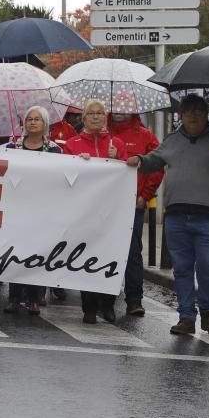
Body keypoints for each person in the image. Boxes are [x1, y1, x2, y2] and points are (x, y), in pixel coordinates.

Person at [128, 94, 209, 335]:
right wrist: (138, 160)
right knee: (181, 268)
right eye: (188, 111)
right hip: (176, 216)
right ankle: (186, 317)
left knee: (208, 266)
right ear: (181, 115)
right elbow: (154, 160)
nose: (192, 115)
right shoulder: (172, 140)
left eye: (197, 111)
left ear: (205, 115)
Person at [62, 99, 126, 324]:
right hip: (85, 212)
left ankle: (107, 304)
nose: (97, 117)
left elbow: (128, 175)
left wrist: (117, 159)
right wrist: (78, 163)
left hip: (111, 211)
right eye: (92, 113)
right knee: (86, 257)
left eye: (100, 113)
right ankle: (89, 306)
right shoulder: (72, 144)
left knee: (109, 256)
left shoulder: (117, 143)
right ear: (84, 118)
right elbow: (64, 175)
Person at [0, 106, 61, 315]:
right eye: (29, 119)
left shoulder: (54, 149)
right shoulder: (12, 146)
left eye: (37, 119)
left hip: (42, 210)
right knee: (15, 252)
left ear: (45, 124)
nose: (33, 122)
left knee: (38, 253)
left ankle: (35, 297)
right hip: (17, 209)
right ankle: (15, 297)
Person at [109, 111, 163, 317]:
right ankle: (107, 296)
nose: (120, 113)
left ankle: (134, 299)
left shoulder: (146, 136)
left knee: (132, 252)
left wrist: (145, 196)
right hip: (105, 206)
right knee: (106, 249)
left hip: (133, 204)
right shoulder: (102, 134)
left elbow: (157, 166)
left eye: (125, 109)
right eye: (117, 109)